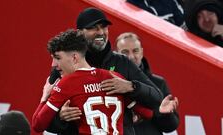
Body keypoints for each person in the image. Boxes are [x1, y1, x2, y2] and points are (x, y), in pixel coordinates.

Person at [46, 7, 169, 135]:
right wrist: (60, 118)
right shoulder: (66, 64)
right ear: (79, 33)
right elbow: (44, 123)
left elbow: (157, 97)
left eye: (104, 27)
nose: (100, 32)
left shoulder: (122, 62)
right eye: (93, 27)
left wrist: (131, 86)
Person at [116, 32, 179, 135]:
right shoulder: (108, 82)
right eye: (125, 52)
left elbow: (170, 126)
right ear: (116, 54)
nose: (131, 56)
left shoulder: (158, 83)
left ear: (141, 52)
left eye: (135, 51)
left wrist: (165, 114)